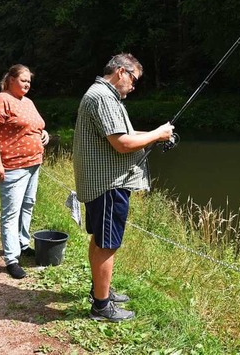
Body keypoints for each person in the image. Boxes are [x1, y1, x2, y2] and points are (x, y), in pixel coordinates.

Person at [73, 53, 175, 322]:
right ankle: (102, 306)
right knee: (108, 245)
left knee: (100, 240)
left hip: (102, 184)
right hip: (109, 184)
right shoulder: (104, 98)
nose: (134, 86)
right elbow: (122, 144)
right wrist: (158, 134)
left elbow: (124, 135)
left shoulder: (100, 94)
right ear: (120, 72)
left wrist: (156, 134)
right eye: (133, 79)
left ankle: (100, 291)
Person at [0, 64, 49, 279]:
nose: (27, 84)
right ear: (11, 79)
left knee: (28, 205)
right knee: (11, 212)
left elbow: (34, 125)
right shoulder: (1, 100)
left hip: (33, 163)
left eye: (29, 81)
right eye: (23, 80)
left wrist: (44, 133)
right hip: (12, 166)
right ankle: (11, 258)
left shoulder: (27, 102)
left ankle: (22, 243)